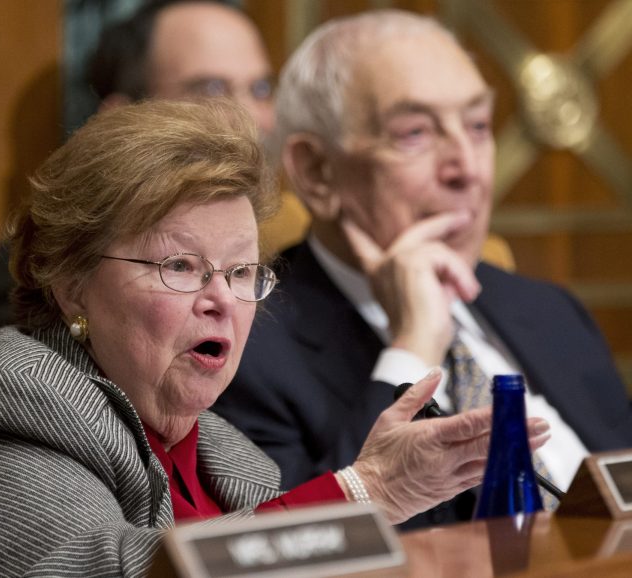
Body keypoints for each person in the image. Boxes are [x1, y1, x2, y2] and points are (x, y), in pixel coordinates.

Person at [0, 100, 550, 577]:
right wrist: (363, 493)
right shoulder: (6, 405)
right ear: (71, 282)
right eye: (181, 267)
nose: (223, 299)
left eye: (243, 271)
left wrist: (378, 496)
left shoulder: (228, 459)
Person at [213, 8, 632, 529]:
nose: (468, 169)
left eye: (478, 125)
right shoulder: (240, 344)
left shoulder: (550, 311)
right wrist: (412, 346)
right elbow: (316, 548)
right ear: (318, 173)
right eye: (415, 133)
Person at [0, 0, 308, 345]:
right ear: (120, 117)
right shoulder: (57, 247)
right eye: (212, 90)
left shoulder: (297, 232)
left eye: (261, 89)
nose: (248, 118)